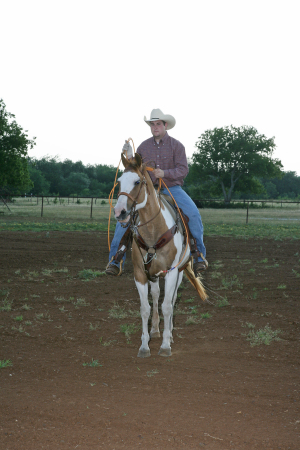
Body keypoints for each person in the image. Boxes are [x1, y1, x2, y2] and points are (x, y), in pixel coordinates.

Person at [105, 108, 208, 276]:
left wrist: (165, 173)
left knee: (193, 214)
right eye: (152, 124)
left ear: (165, 125)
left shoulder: (177, 146)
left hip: (172, 188)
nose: (155, 127)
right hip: (148, 189)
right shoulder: (143, 147)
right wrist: (130, 155)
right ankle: (116, 259)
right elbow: (136, 168)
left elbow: (183, 170)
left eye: (158, 124)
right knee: (124, 217)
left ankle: (198, 256)